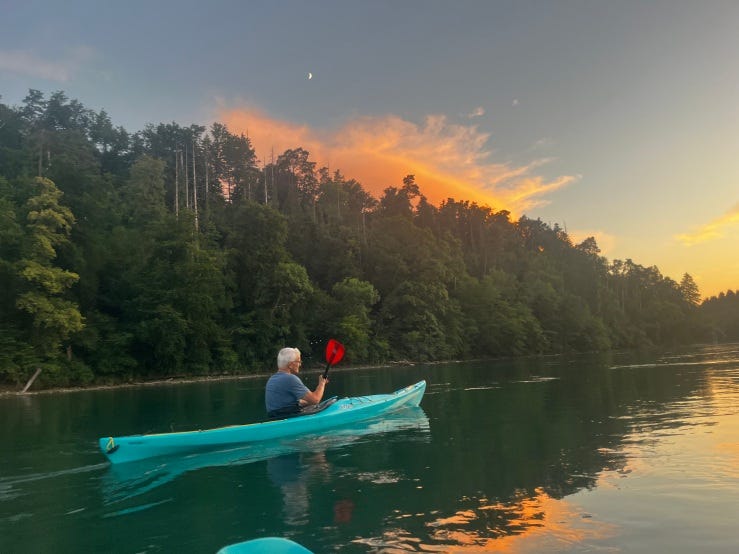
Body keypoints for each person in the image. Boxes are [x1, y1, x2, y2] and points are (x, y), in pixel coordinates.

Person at [265, 347, 328, 418]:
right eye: (298, 361)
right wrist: (322, 384)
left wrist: (306, 402)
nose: (300, 364)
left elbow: (285, 403)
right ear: (290, 364)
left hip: (275, 417)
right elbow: (315, 400)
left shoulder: (272, 379)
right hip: (287, 416)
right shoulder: (290, 379)